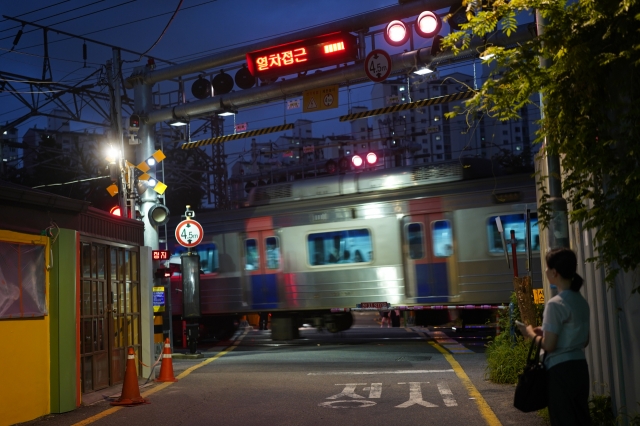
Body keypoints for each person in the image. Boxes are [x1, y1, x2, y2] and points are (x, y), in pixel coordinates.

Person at [516, 247, 591, 426]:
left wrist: (531, 333)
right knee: (581, 419)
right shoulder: (581, 301)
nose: (546, 271)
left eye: (547, 268)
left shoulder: (555, 304)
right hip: (580, 368)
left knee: (563, 419)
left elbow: (549, 346)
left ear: (554, 272)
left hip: (560, 371)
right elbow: (584, 340)